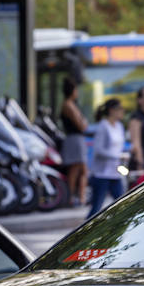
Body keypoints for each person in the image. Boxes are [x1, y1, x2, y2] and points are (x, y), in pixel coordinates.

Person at [87, 98, 126, 218]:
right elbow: (98, 150)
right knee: (96, 207)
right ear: (111, 110)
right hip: (102, 173)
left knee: (122, 203)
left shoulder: (119, 126)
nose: (122, 112)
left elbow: (119, 146)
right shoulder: (103, 126)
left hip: (115, 171)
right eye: (119, 109)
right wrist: (116, 156)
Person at [59, 78, 88, 206]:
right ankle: (72, 197)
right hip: (74, 139)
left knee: (81, 170)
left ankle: (80, 197)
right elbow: (81, 125)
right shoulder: (69, 105)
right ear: (72, 90)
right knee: (76, 169)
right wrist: (83, 121)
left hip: (76, 139)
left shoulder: (71, 105)